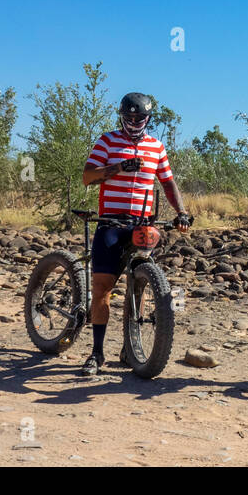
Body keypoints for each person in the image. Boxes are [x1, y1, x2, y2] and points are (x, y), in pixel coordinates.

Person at [79, 92, 192, 376]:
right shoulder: (107, 140)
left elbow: (168, 183)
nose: (133, 122)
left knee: (139, 282)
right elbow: (87, 177)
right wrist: (118, 168)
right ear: (121, 116)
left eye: (138, 118)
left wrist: (181, 213)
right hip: (110, 223)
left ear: (147, 118)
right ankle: (97, 353)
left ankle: (131, 347)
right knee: (103, 289)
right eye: (128, 117)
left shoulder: (156, 146)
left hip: (142, 223)